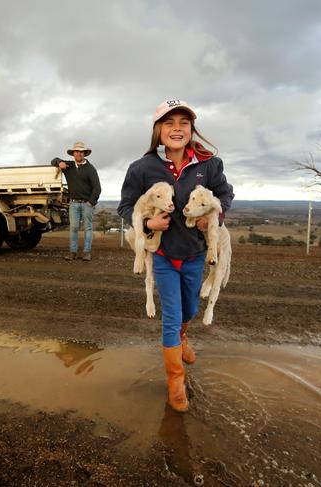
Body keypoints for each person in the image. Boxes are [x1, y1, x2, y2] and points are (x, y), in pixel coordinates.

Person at [118, 99, 234, 413]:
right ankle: (175, 382)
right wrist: (146, 223)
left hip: (196, 253)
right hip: (164, 254)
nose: (177, 129)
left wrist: (214, 220)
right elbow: (126, 206)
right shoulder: (142, 168)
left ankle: (183, 335)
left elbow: (224, 195)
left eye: (183, 123)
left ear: (191, 128)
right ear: (158, 130)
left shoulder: (209, 164)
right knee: (171, 314)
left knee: (190, 308)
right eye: (169, 123)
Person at [51, 141, 102, 261]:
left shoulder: (90, 169)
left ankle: (86, 252)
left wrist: (91, 202)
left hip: (87, 204)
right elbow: (53, 160)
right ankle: (72, 252)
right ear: (73, 153)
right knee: (73, 228)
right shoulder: (68, 166)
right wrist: (60, 162)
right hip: (73, 203)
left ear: (84, 153)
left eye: (81, 152)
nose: (78, 154)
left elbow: (97, 188)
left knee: (87, 228)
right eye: (76, 151)